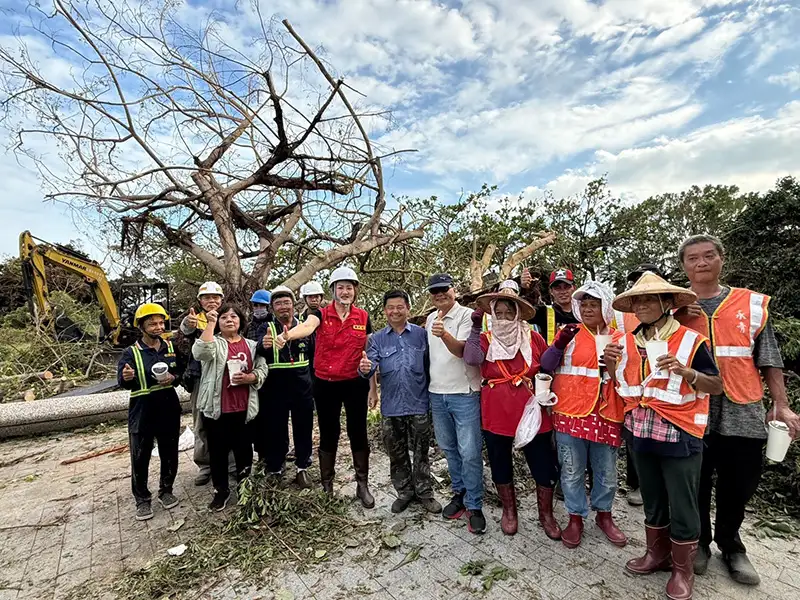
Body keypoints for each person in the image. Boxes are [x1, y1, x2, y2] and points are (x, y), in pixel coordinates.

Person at [674, 234, 800, 586]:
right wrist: (679, 318)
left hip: (742, 407)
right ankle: (698, 542)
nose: (701, 263)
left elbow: (770, 359)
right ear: (683, 265)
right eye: (693, 258)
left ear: (721, 259)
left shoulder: (750, 304)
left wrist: (782, 405)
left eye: (708, 256)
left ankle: (731, 544)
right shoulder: (675, 308)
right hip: (690, 408)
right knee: (693, 481)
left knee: (739, 482)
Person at [604, 272, 722, 600]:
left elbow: (716, 385)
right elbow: (625, 386)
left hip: (680, 432)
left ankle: (683, 571)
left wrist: (688, 372)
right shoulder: (627, 342)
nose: (639, 306)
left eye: (647, 299)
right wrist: (611, 368)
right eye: (635, 301)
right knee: (653, 499)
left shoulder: (689, 341)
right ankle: (657, 555)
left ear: (666, 304)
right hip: (640, 432)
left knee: (683, 504)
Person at [464, 283, 561, 538]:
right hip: (496, 411)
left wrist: (560, 344)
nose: (505, 317)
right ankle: (509, 511)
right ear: (492, 314)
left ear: (518, 314)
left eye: (510, 312)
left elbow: (548, 365)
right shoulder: (485, 339)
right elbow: (472, 359)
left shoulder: (532, 337)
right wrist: (475, 328)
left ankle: (546, 514)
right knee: (500, 460)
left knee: (542, 462)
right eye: (500, 312)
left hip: (531, 410)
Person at [277, 266, 377, 508]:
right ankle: (327, 485)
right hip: (325, 384)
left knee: (358, 432)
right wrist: (288, 335)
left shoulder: (363, 317)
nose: (345, 291)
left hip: (355, 383)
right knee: (329, 433)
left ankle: (362, 485)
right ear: (333, 291)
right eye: (340, 287)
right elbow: (308, 327)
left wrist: (373, 387)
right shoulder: (321, 314)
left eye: (349, 288)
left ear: (355, 291)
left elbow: (369, 352)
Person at [541, 281, 626, 549]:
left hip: (607, 412)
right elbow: (545, 365)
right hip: (569, 412)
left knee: (606, 472)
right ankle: (575, 517)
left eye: (595, 304)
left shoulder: (620, 338)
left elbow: (631, 376)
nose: (588, 309)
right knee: (572, 470)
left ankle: (604, 515)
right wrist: (558, 343)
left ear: (607, 307)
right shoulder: (570, 333)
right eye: (585, 305)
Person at [359, 289, 441, 514]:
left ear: (408, 309)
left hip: (419, 403)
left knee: (422, 451)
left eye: (399, 307)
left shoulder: (422, 335)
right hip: (391, 406)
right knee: (396, 452)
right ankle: (404, 492)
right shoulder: (376, 339)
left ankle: (425, 492)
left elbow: (430, 365)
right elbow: (369, 367)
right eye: (390, 307)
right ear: (385, 311)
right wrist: (365, 370)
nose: (395, 311)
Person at [424, 273, 485, 534]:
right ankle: (459, 493)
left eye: (444, 290)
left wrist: (444, 334)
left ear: (454, 290)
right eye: (435, 291)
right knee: (449, 449)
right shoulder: (428, 318)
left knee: (470, 452)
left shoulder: (467, 316)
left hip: (465, 393)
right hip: (437, 394)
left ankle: (475, 505)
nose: (440, 295)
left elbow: (464, 352)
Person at [192, 305, 268, 511]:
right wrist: (209, 323)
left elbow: (262, 368)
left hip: (244, 408)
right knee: (217, 452)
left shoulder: (251, 345)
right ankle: (221, 491)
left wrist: (251, 377)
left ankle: (245, 488)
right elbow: (200, 352)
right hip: (217, 408)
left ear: (241, 321)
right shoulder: (214, 342)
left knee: (244, 451)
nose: (229, 320)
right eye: (224, 317)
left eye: (233, 316)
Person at [117, 303, 184, 521]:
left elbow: (182, 373)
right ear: (141, 326)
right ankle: (142, 500)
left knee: (169, 452)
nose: (158, 327)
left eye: (160, 322)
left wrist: (174, 378)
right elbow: (123, 381)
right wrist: (126, 378)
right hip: (142, 410)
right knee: (140, 455)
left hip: (168, 407)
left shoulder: (170, 348)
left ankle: (166, 491)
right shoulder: (130, 353)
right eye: (152, 323)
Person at [615, 263, 667, 508]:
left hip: (666, 387)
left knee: (665, 441)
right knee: (634, 440)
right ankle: (637, 485)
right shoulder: (622, 313)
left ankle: (664, 485)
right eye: (636, 279)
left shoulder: (673, 310)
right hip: (633, 386)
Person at [255, 286, 315, 488]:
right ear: (272, 308)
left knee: (304, 426)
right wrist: (262, 344)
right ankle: (275, 468)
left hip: (302, 385)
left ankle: (302, 468)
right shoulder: (265, 328)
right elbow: (257, 351)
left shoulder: (305, 327)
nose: (283, 307)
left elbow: (314, 356)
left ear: (293, 305)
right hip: (275, 387)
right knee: (275, 428)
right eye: (278, 303)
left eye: (286, 302)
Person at [177, 281, 226, 486]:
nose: (212, 301)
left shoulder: (228, 317)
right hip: (200, 378)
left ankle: (229, 464)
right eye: (207, 298)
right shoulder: (194, 319)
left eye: (216, 297)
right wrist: (188, 324)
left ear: (222, 300)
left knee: (228, 421)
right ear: (200, 301)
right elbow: (184, 331)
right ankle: (205, 466)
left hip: (225, 377)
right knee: (201, 423)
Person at [522, 268, 580, 344]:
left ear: (574, 288)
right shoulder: (543, 312)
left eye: (566, 287)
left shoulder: (584, 312)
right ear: (551, 291)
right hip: (554, 354)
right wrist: (524, 289)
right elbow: (522, 313)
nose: (562, 292)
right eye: (557, 288)